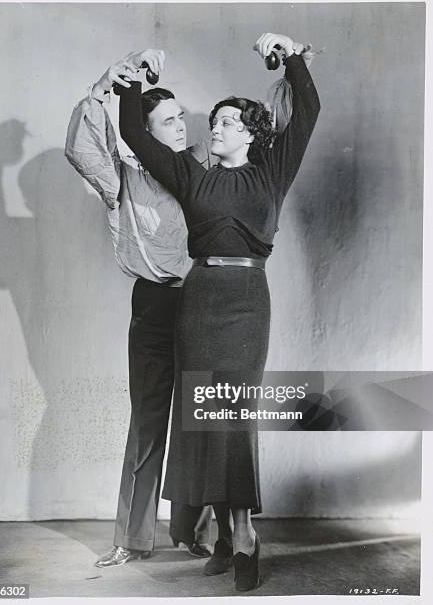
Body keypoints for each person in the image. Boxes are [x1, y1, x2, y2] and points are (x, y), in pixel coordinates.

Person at [117, 33, 320, 591]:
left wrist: (290, 56)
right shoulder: (191, 174)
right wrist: (137, 76)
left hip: (247, 304)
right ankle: (229, 535)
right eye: (216, 122)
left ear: (253, 133)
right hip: (199, 302)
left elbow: (309, 110)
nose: (216, 127)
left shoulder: (272, 172)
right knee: (205, 416)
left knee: (233, 416)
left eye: (229, 122)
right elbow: (134, 130)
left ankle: (243, 530)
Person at [65, 49, 215, 567]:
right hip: (153, 306)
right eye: (168, 121)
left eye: (181, 118)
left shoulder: (203, 165)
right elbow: (83, 147)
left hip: (203, 305)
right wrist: (108, 82)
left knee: (200, 420)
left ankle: (194, 532)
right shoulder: (124, 179)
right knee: (148, 422)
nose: (181, 126)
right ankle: (131, 538)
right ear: (144, 132)